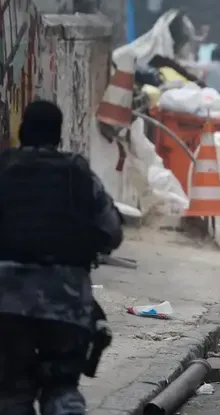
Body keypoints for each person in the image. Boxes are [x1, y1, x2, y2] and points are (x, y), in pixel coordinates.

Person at [0, 100, 124, 415]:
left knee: (12, 394)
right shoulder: (78, 173)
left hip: (6, 304)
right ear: (58, 135)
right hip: (66, 304)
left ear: (21, 130)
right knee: (62, 389)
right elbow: (112, 232)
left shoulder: (3, 168)